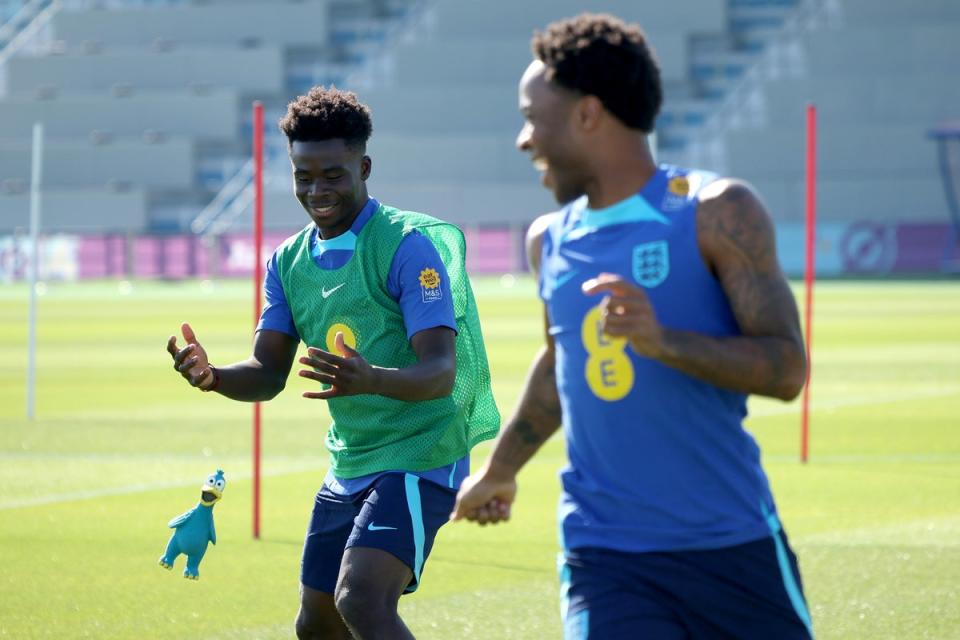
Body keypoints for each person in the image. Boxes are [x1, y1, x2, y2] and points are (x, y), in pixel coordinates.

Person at [451, 13, 814, 640]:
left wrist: (662, 341)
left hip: (733, 547)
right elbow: (560, 362)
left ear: (588, 115)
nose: (523, 139)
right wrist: (503, 466)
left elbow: (787, 370)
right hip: (604, 558)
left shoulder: (717, 212)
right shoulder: (549, 241)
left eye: (533, 118)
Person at [167, 86, 500, 640]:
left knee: (361, 599)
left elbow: (440, 373)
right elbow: (268, 373)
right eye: (304, 176)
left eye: (333, 174)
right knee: (316, 623)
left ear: (363, 166)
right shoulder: (287, 262)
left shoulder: (405, 247)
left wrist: (370, 378)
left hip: (422, 453)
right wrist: (215, 377)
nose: (317, 190)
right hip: (350, 462)